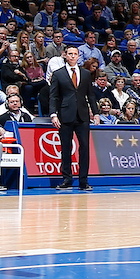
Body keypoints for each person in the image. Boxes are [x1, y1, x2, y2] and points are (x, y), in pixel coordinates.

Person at [49, 45, 99, 191]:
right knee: (66, 148)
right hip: (65, 115)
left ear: (78, 56)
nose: (72, 56)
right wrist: (53, 114)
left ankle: (83, 181)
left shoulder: (85, 73)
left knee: (84, 148)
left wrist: (95, 113)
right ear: (65, 55)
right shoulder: (58, 74)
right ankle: (67, 179)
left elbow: (90, 95)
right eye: (70, 54)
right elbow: (54, 96)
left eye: (75, 54)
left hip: (82, 115)